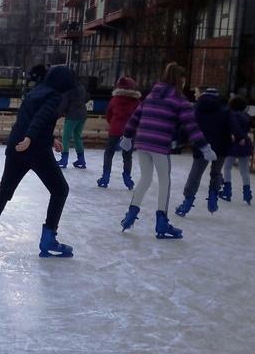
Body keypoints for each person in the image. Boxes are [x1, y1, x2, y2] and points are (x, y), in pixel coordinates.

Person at [0, 65, 76, 257]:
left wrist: (50, 138)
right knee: (60, 189)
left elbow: (27, 118)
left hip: (16, 146)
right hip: (35, 149)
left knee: (5, 189)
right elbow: (40, 118)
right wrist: (30, 137)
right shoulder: (54, 96)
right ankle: (48, 239)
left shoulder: (34, 92)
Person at [119, 63, 213, 239]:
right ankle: (162, 222)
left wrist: (127, 136)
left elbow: (135, 117)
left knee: (145, 179)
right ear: (181, 80)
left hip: (143, 142)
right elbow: (191, 126)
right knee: (164, 181)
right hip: (159, 144)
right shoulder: (179, 99)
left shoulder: (151, 95)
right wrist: (204, 146)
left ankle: (130, 215)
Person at [175, 86, 231, 216]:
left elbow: (187, 124)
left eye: (196, 93)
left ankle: (187, 202)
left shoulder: (197, 108)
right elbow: (232, 126)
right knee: (216, 172)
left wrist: (181, 139)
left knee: (195, 174)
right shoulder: (225, 109)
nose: (195, 95)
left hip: (202, 145)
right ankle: (213, 198)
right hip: (222, 146)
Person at [98, 76, 141, 189]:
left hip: (115, 130)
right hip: (130, 132)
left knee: (109, 152)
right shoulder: (136, 102)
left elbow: (109, 115)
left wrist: (112, 123)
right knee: (127, 156)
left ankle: (105, 176)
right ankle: (127, 177)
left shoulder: (114, 100)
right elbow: (139, 116)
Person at [221, 97, 252, 205]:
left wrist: (239, 137)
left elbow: (234, 127)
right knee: (244, 171)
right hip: (246, 144)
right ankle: (247, 194)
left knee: (227, 167)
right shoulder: (247, 116)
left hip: (234, 143)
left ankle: (227, 191)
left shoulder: (232, 115)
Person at [58, 79, 90, 169]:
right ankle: (81, 160)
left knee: (66, 137)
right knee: (77, 137)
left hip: (72, 115)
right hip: (82, 115)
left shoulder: (68, 89)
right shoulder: (81, 87)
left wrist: (57, 114)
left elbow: (63, 103)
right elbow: (87, 97)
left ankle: (64, 160)